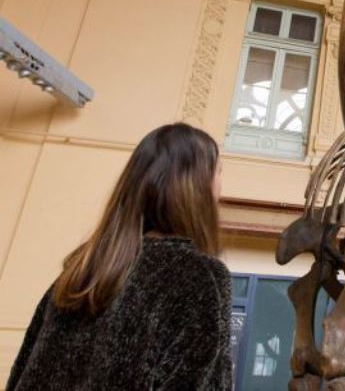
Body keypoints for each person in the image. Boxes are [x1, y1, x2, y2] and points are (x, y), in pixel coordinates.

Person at [6, 123, 233, 390]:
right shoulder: (199, 276)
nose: (221, 187)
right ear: (196, 186)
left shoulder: (80, 272)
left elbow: (22, 373)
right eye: (218, 172)